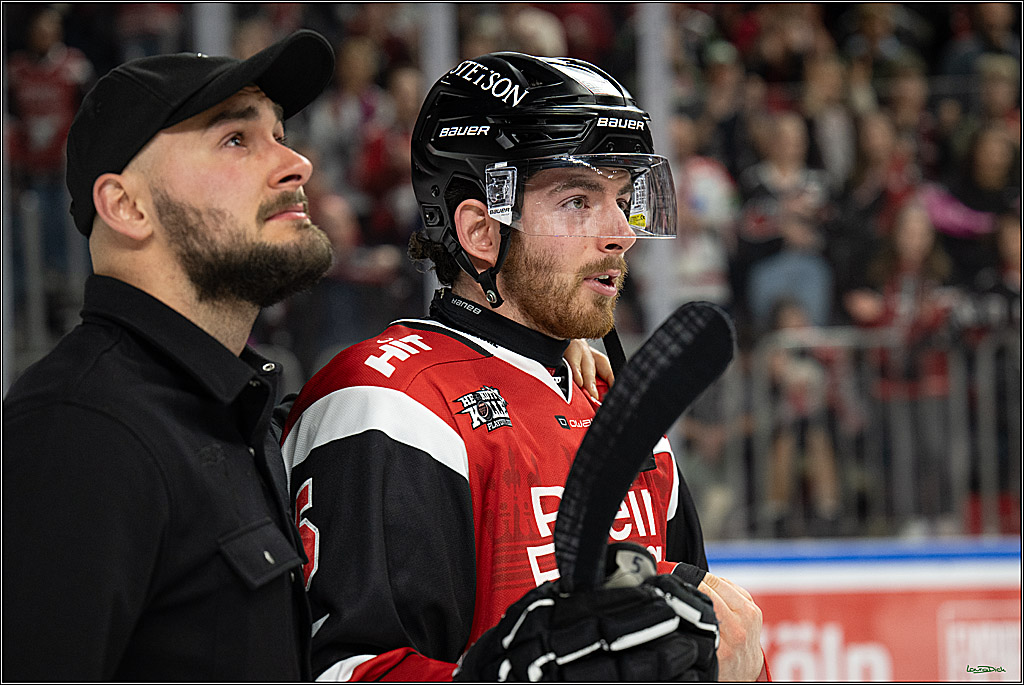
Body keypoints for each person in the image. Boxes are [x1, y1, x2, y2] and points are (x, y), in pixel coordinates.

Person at [281, 52, 767, 681]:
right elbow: (343, 671)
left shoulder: (611, 405)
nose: (621, 232)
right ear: (482, 231)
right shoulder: (388, 404)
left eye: (623, 198)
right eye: (576, 200)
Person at [2, 31, 335, 681]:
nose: (297, 163)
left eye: (279, 132)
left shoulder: (230, 408)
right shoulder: (78, 431)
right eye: (237, 138)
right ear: (126, 205)